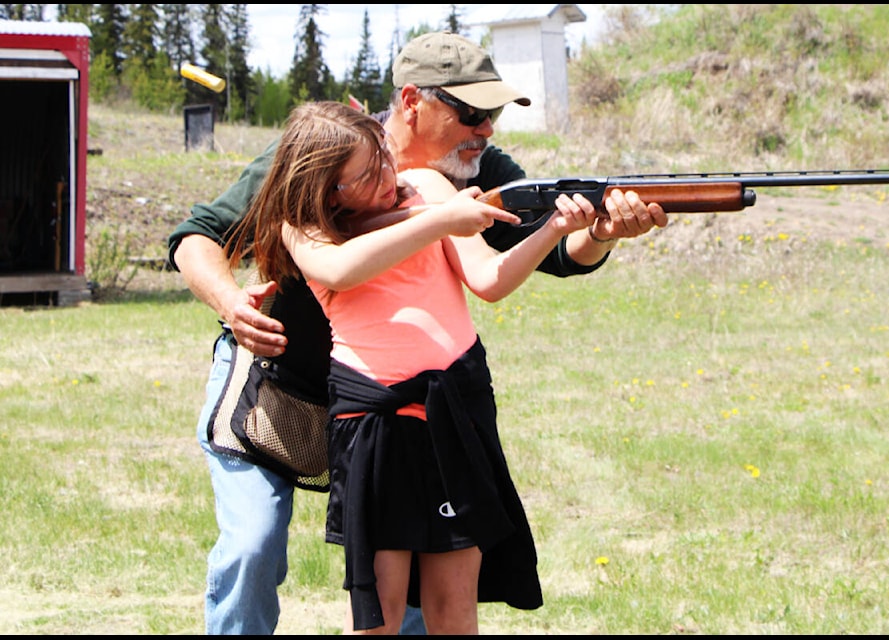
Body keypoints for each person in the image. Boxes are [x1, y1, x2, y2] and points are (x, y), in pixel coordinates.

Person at [167, 31, 667, 635]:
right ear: (411, 102)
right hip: (279, 392)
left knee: (416, 603)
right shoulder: (317, 151)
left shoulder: (468, 173)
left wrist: (604, 231)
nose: (486, 131)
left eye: (495, 115)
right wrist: (231, 303)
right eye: (471, 114)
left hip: (403, 410)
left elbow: (556, 253)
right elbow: (198, 234)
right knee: (251, 548)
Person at [226, 100, 600, 633]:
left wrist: (554, 230)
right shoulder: (304, 226)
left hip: (455, 409)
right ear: (329, 189)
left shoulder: (426, 184)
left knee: (454, 608)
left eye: (383, 158)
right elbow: (342, 269)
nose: (388, 176)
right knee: (382, 613)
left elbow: (489, 280)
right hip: (374, 423)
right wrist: (439, 220)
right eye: (367, 174)